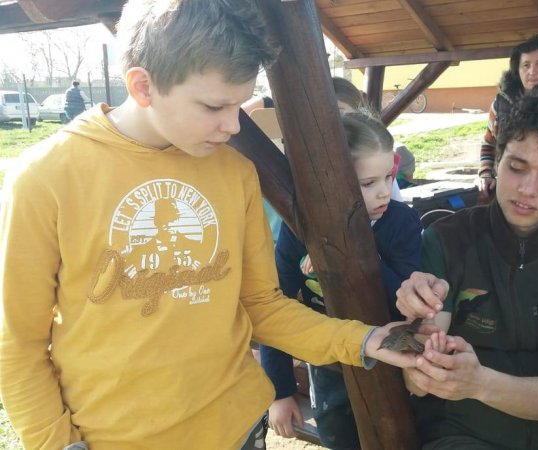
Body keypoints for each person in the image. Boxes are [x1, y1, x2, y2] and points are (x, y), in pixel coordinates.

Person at [0, 1, 423, 448]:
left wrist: (364, 339)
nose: (232, 125)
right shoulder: (44, 178)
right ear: (143, 86)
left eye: (239, 104)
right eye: (214, 106)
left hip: (238, 428)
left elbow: (261, 305)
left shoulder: (235, 173)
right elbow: (18, 343)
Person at [397, 83, 538, 449]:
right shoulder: (446, 241)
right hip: (459, 431)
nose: (527, 189)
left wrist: (480, 383)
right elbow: (416, 381)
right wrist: (417, 335)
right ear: (497, 160)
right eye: (516, 167)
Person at [260, 112, 423, 449]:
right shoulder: (297, 233)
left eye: (388, 178)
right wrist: (281, 391)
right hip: (329, 367)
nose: (383, 192)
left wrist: (354, 258)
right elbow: (277, 308)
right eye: (368, 183)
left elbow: (407, 303)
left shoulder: (402, 223)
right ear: (330, 179)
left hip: (395, 361)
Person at [476, 35, 538, 201]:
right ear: (517, 70)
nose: (532, 71)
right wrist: (485, 173)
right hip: (507, 189)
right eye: (526, 65)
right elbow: (488, 144)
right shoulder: (500, 104)